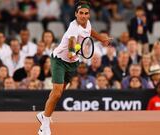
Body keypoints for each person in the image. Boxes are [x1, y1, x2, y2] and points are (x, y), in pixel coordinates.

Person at [36, 2, 110, 135]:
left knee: (58, 93)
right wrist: (74, 52)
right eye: (80, 13)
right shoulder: (73, 28)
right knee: (57, 92)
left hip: (72, 63)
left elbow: (90, 31)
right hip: (59, 60)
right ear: (76, 14)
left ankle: (43, 114)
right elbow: (71, 46)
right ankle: (44, 125)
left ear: (89, 14)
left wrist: (101, 38)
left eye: (86, 13)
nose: (83, 16)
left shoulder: (87, 24)